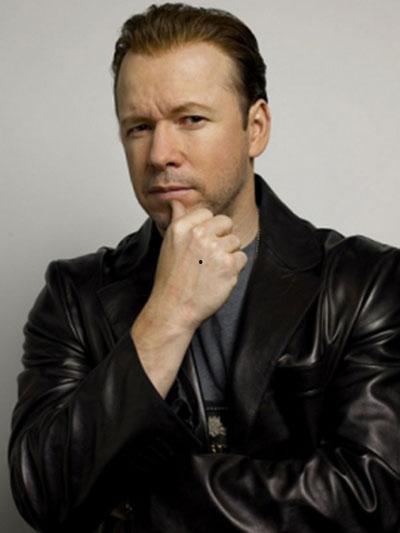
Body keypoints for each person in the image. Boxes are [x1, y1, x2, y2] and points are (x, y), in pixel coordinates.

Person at [8, 3, 400, 532]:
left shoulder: (366, 282)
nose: (159, 153)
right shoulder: (73, 296)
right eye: (139, 127)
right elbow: (43, 491)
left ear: (255, 128)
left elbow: (373, 496)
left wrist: (135, 499)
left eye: (190, 119)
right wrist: (167, 315)